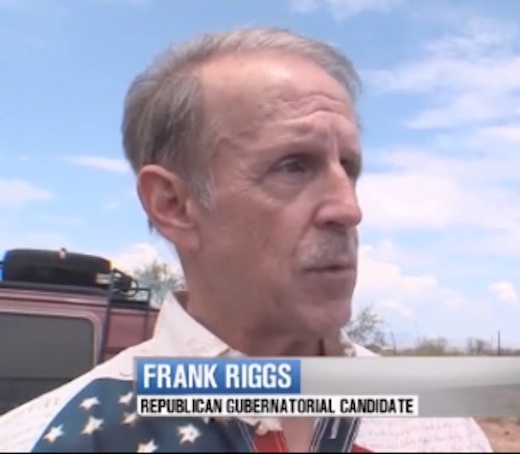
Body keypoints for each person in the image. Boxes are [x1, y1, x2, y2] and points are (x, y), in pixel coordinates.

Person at [0, 28, 493, 452]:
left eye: (349, 166)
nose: (349, 209)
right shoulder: (56, 436)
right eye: (294, 166)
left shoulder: (438, 427)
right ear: (173, 204)